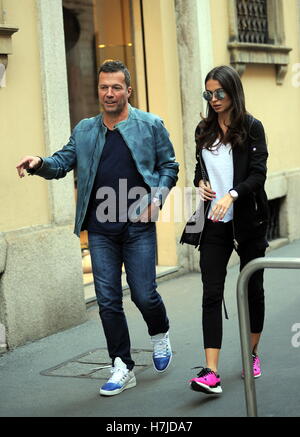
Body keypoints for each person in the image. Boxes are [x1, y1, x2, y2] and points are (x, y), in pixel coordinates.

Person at [16, 60, 179, 396]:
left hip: (137, 225)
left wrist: (157, 199)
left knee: (144, 294)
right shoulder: (86, 130)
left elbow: (169, 166)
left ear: (128, 90)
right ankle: (121, 365)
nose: (109, 93)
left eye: (116, 87)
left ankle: (160, 333)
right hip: (101, 228)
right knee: (107, 300)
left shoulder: (150, 125)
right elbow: (62, 162)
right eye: (104, 87)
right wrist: (39, 164)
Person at [187, 65, 269, 395]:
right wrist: (202, 184)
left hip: (248, 219)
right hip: (214, 222)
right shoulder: (203, 130)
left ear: (233, 92)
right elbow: (198, 170)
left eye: (220, 92)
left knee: (252, 289)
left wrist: (231, 194)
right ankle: (211, 371)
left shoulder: (251, 127)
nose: (215, 99)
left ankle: (250, 355)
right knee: (211, 291)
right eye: (209, 94)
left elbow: (259, 174)